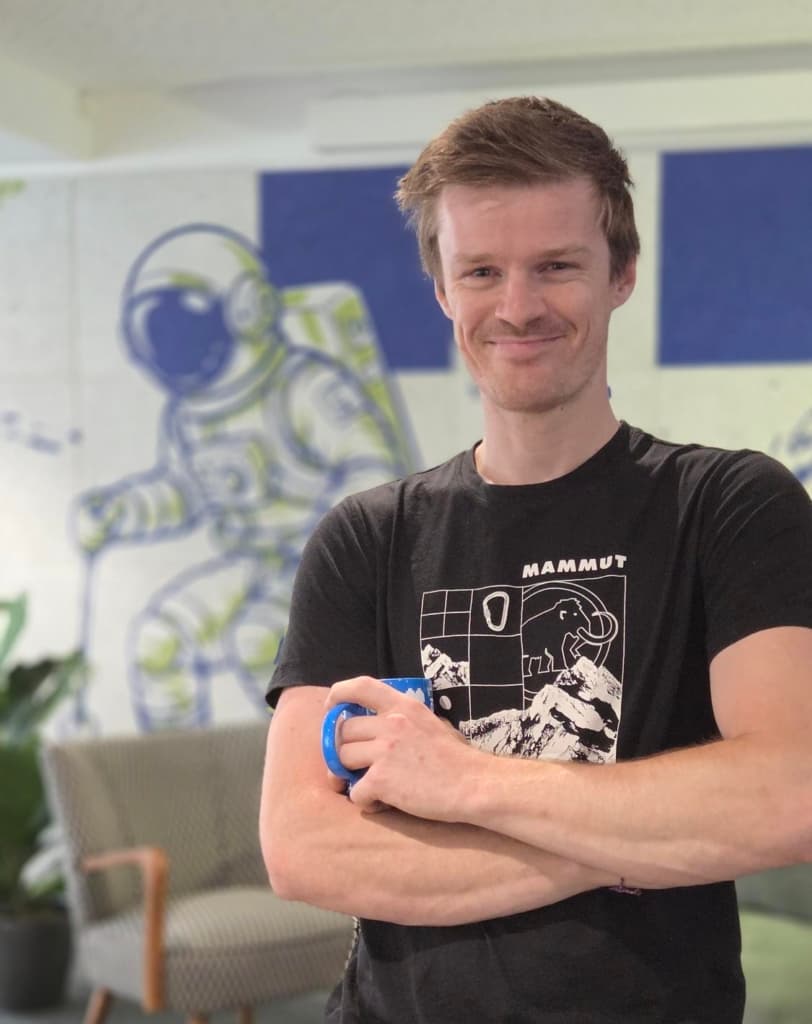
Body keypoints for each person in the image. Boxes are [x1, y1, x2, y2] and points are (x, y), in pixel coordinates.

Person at [259, 96, 812, 1023]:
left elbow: (790, 793)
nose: (517, 307)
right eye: (482, 271)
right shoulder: (366, 537)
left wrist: (465, 785)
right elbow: (303, 849)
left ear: (621, 273)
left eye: (557, 265)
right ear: (443, 289)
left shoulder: (729, 506)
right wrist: (639, 841)